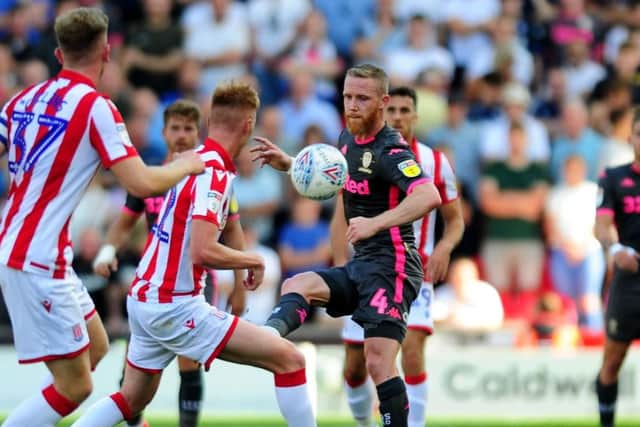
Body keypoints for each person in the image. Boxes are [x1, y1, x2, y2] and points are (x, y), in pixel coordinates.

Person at [0, 7, 204, 427]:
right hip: (37, 259)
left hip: (32, 249)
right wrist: (187, 164)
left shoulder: (21, 99)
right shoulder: (96, 108)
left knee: (95, 347)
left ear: (58, 53)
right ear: (107, 51)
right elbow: (143, 183)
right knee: (75, 387)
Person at [70, 81, 316, 427]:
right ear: (248, 125)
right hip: (174, 303)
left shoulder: (191, 161)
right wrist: (253, 259)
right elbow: (202, 251)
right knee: (290, 359)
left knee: (132, 398)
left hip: (145, 296)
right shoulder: (214, 172)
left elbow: (219, 232)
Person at [252, 64, 442, 427]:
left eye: (362, 98)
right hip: (362, 264)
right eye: (348, 97)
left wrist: (376, 223)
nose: (352, 105)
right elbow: (336, 177)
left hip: (394, 266)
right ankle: (265, 339)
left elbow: (428, 195)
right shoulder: (346, 140)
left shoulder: (392, 151)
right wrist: (291, 165)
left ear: (383, 103)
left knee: (377, 362)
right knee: (297, 285)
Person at [92, 99, 245, 427]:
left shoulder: (211, 176)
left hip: (193, 283)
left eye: (189, 128)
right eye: (175, 128)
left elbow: (233, 229)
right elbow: (123, 224)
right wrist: (108, 252)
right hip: (153, 285)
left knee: (188, 363)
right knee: (132, 376)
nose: (182, 135)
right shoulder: (151, 179)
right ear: (163, 133)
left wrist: (241, 285)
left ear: (197, 132)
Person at [340, 86, 464, 427]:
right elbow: (342, 214)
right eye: (391, 109)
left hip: (413, 271)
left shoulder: (436, 162)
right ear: (382, 111)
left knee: (411, 349)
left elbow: (455, 220)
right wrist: (340, 257)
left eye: (404, 110)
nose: (397, 117)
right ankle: (364, 422)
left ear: (415, 117)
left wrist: (444, 247)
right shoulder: (361, 151)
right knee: (354, 365)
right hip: (365, 268)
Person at [595, 108, 640, 427]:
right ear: (630, 138)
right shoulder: (613, 177)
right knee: (612, 360)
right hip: (629, 276)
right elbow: (601, 225)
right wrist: (616, 248)